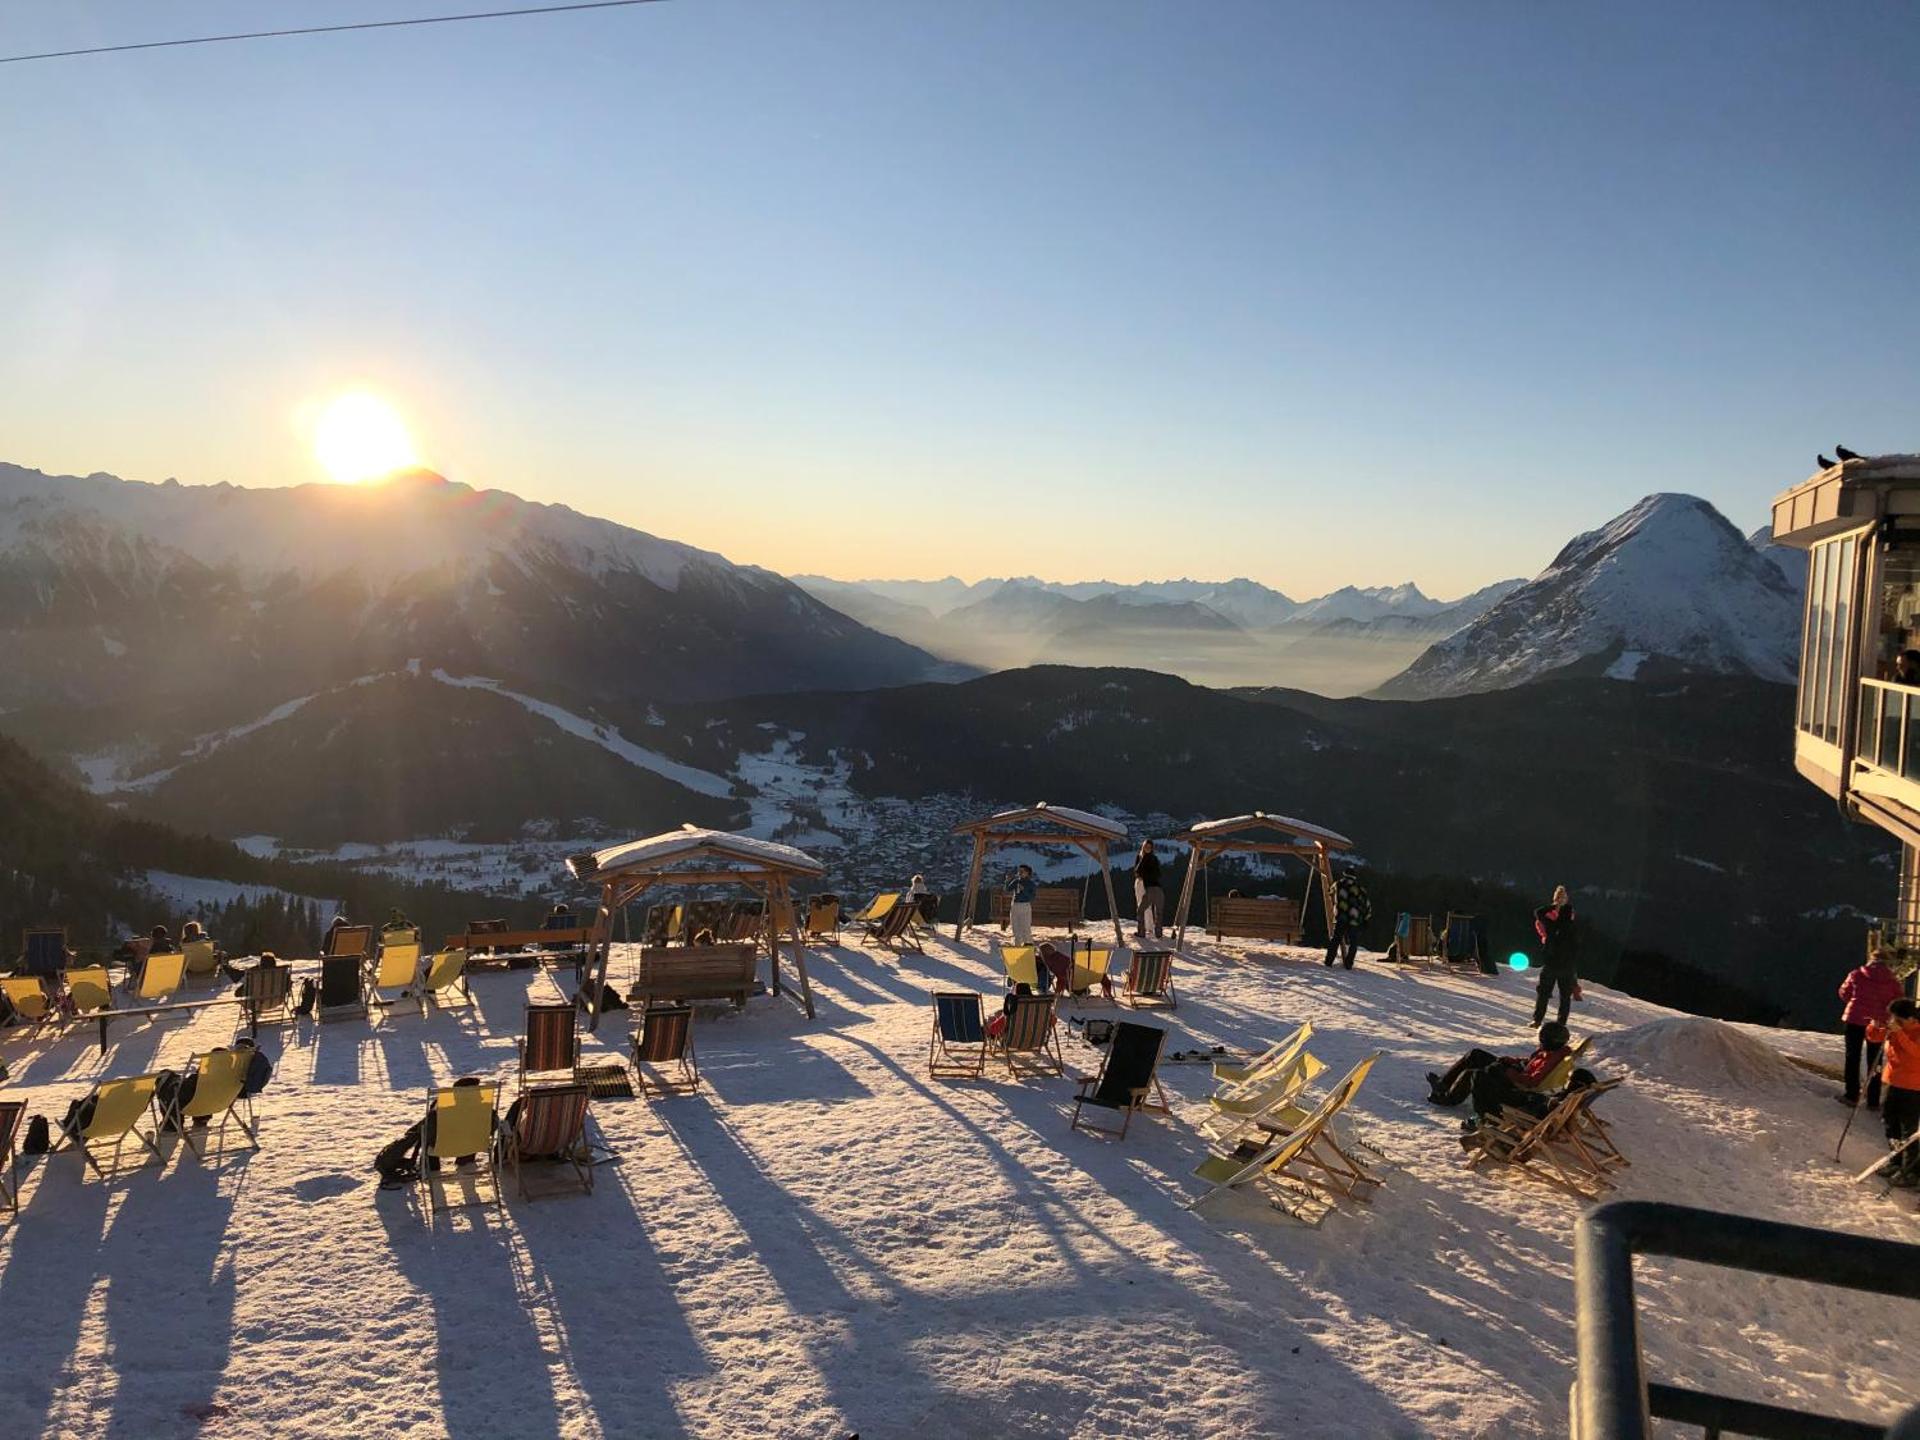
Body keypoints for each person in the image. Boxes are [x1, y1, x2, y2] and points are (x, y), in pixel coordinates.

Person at [1427, 1022, 1571, 1114]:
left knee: (1473, 1073)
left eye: (1542, 1039)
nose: (1540, 1042)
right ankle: (1443, 1083)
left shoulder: (1552, 1058)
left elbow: (1532, 1081)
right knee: (1475, 1054)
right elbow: (1531, 1062)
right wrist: (1513, 1061)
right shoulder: (1552, 1050)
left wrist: (1509, 1071)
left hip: (1516, 1084)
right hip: (1517, 1072)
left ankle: (1449, 1098)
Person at [1838, 949, 1904, 1108]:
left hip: (1855, 1020)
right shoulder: (1893, 981)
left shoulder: (1856, 974)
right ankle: (1873, 1099)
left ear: (1871, 960)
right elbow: (1898, 1002)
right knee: (1875, 1061)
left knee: (1852, 1057)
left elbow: (1844, 993)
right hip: (1878, 1023)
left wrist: (1856, 1003)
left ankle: (1851, 1095)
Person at [1868, 998, 1920, 1185]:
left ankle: (1911, 1170)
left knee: (1909, 1129)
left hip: (1913, 1086)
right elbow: (1875, 1039)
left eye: (1899, 1020)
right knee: (1890, 1123)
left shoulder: (1916, 1031)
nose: (1896, 1023)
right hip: (1891, 1082)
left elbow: (1916, 1054)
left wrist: (1901, 1035)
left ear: (1911, 1018)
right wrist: (1875, 1027)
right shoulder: (1897, 1030)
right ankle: (1896, 1160)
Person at [1532, 885, 1579, 1026]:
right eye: (1559, 898)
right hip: (1559, 963)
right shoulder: (1555, 919)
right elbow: (1537, 913)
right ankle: (1548, 1021)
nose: (1561, 901)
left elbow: (1539, 912)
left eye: (1563, 898)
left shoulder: (1559, 921)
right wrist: (1555, 907)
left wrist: (1556, 907)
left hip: (1558, 963)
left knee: (1554, 994)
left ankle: (1548, 1021)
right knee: (1554, 994)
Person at [1325, 867, 1372, 970]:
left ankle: (1329, 961)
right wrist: (1366, 918)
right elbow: (1367, 905)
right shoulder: (1360, 888)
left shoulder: (1337, 884)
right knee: (1353, 942)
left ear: (1344, 874)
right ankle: (1348, 964)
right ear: (1354, 876)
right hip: (1354, 919)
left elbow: (1329, 892)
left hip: (1341, 917)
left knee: (1336, 939)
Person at [1132, 841, 1164, 941]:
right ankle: (1157, 933)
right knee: (1158, 911)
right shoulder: (1154, 858)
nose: (1148, 849)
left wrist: (1145, 875)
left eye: (1149, 847)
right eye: (1146, 847)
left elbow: (1137, 871)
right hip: (1157, 887)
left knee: (1141, 909)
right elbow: (1158, 873)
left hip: (1149, 886)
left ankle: (1143, 931)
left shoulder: (1145, 857)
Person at [1006, 865, 1037, 947]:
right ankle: (1017, 945)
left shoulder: (1030, 884)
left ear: (1027, 873)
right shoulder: (1016, 881)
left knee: (1025, 927)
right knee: (1015, 926)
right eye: (1019, 871)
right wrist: (1007, 881)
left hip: (1024, 905)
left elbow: (1032, 897)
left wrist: (1024, 890)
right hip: (1015, 905)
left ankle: (1028, 945)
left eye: (1022, 871)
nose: (1019, 873)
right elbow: (1007, 889)